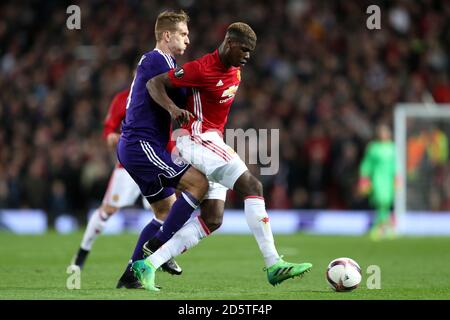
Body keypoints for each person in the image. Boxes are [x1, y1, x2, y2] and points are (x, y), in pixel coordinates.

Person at [132, 22, 313, 291]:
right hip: (195, 139)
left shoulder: (236, 73)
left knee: (213, 219)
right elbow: (154, 83)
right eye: (244, 50)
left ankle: (148, 265)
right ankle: (273, 264)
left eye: (251, 51)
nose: (248, 56)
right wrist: (171, 109)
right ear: (229, 43)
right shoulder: (201, 68)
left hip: (211, 140)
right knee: (253, 186)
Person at [114, 10, 213, 289]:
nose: (188, 40)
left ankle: (131, 276)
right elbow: (159, 89)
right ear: (166, 35)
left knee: (165, 212)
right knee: (198, 184)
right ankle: (159, 248)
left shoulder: (167, 63)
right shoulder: (155, 59)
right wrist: (175, 108)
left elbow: (186, 95)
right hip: (140, 144)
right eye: (183, 34)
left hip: (138, 146)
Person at [70, 88, 181, 278]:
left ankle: (160, 252)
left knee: (167, 211)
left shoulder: (163, 99)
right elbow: (109, 128)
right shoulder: (123, 99)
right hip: (131, 164)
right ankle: (82, 252)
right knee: (108, 210)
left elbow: (167, 134)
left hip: (158, 163)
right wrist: (111, 136)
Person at [358, 123, 397, 240]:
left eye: (385, 132)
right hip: (378, 178)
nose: (383, 134)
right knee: (380, 200)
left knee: (387, 202)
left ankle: (381, 227)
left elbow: (396, 164)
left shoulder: (392, 147)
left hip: (389, 178)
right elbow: (366, 164)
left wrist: (397, 177)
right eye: (381, 132)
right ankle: (384, 227)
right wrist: (364, 178)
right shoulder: (373, 147)